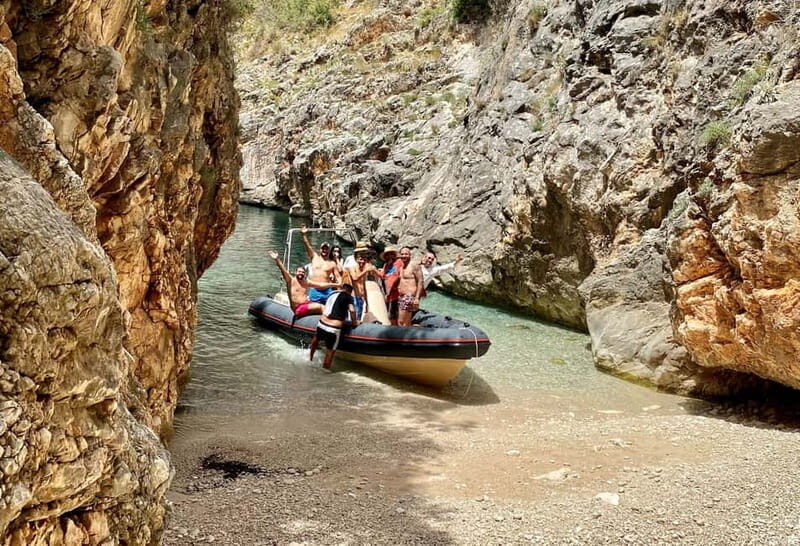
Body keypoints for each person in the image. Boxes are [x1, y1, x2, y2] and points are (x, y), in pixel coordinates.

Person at [268, 250, 338, 317]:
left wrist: (336, 285)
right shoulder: (290, 280)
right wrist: (277, 259)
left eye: (303, 272)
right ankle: (329, 320)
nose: (301, 273)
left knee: (324, 306)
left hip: (307, 304)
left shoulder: (306, 282)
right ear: (295, 272)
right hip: (298, 308)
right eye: (299, 271)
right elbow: (283, 269)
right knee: (320, 307)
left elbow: (321, 285)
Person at [309, 283, 358, 369]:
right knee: (330, 351)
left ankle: (310, 358)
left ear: (342, 288)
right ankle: (325, 371)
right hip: (333, 328)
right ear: (350, 291)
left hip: (322, 323)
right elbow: (352, 310)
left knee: (316, 339)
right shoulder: (348, 297)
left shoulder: (332, 293)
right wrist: (354, 322)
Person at [300, 224, 341, 304]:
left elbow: (338, 277)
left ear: (329, 250)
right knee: (313, 308)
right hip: (315, 289)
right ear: (320, 249)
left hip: (327, 290)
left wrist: (340, 289)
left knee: (326, 309)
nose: (324, 250)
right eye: (323, 248)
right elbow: (307, 245)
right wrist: (304, 234)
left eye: (326, 249)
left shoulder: (332, 263)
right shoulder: (314, 257)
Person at [345, 245, 377, 320]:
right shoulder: (352, 268)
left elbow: (364, 286)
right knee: (354, 317)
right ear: (356, 259)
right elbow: (355, 278)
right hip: (354, 297)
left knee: (359, 317)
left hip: (361, 298)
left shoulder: (363, 270)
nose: (362, 262)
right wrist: (366, 270)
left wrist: (367, 303)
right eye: (360, 259)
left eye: (363, 260)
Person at [395, 246, 423, 327]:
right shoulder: (401, 267)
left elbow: (420, 281)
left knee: (400, 322)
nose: (404, 256)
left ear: (410, 255)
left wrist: (417, 298)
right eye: (402, 254)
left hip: (409, 297)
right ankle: (408, 337)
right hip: (401, 297)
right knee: (406, 322)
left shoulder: (414, 266)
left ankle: (401, 338)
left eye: (406, 254)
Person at [377, 246, 403, 325]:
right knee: (391, 315)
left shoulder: (399, 262)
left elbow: (401, 276)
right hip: (389, 294)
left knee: (395, 315)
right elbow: (383, 276)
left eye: (391, 254)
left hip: (396, 293)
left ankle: (397, 331)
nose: (389, 256)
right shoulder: (386, 265)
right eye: (387, 255)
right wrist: (373, 270)